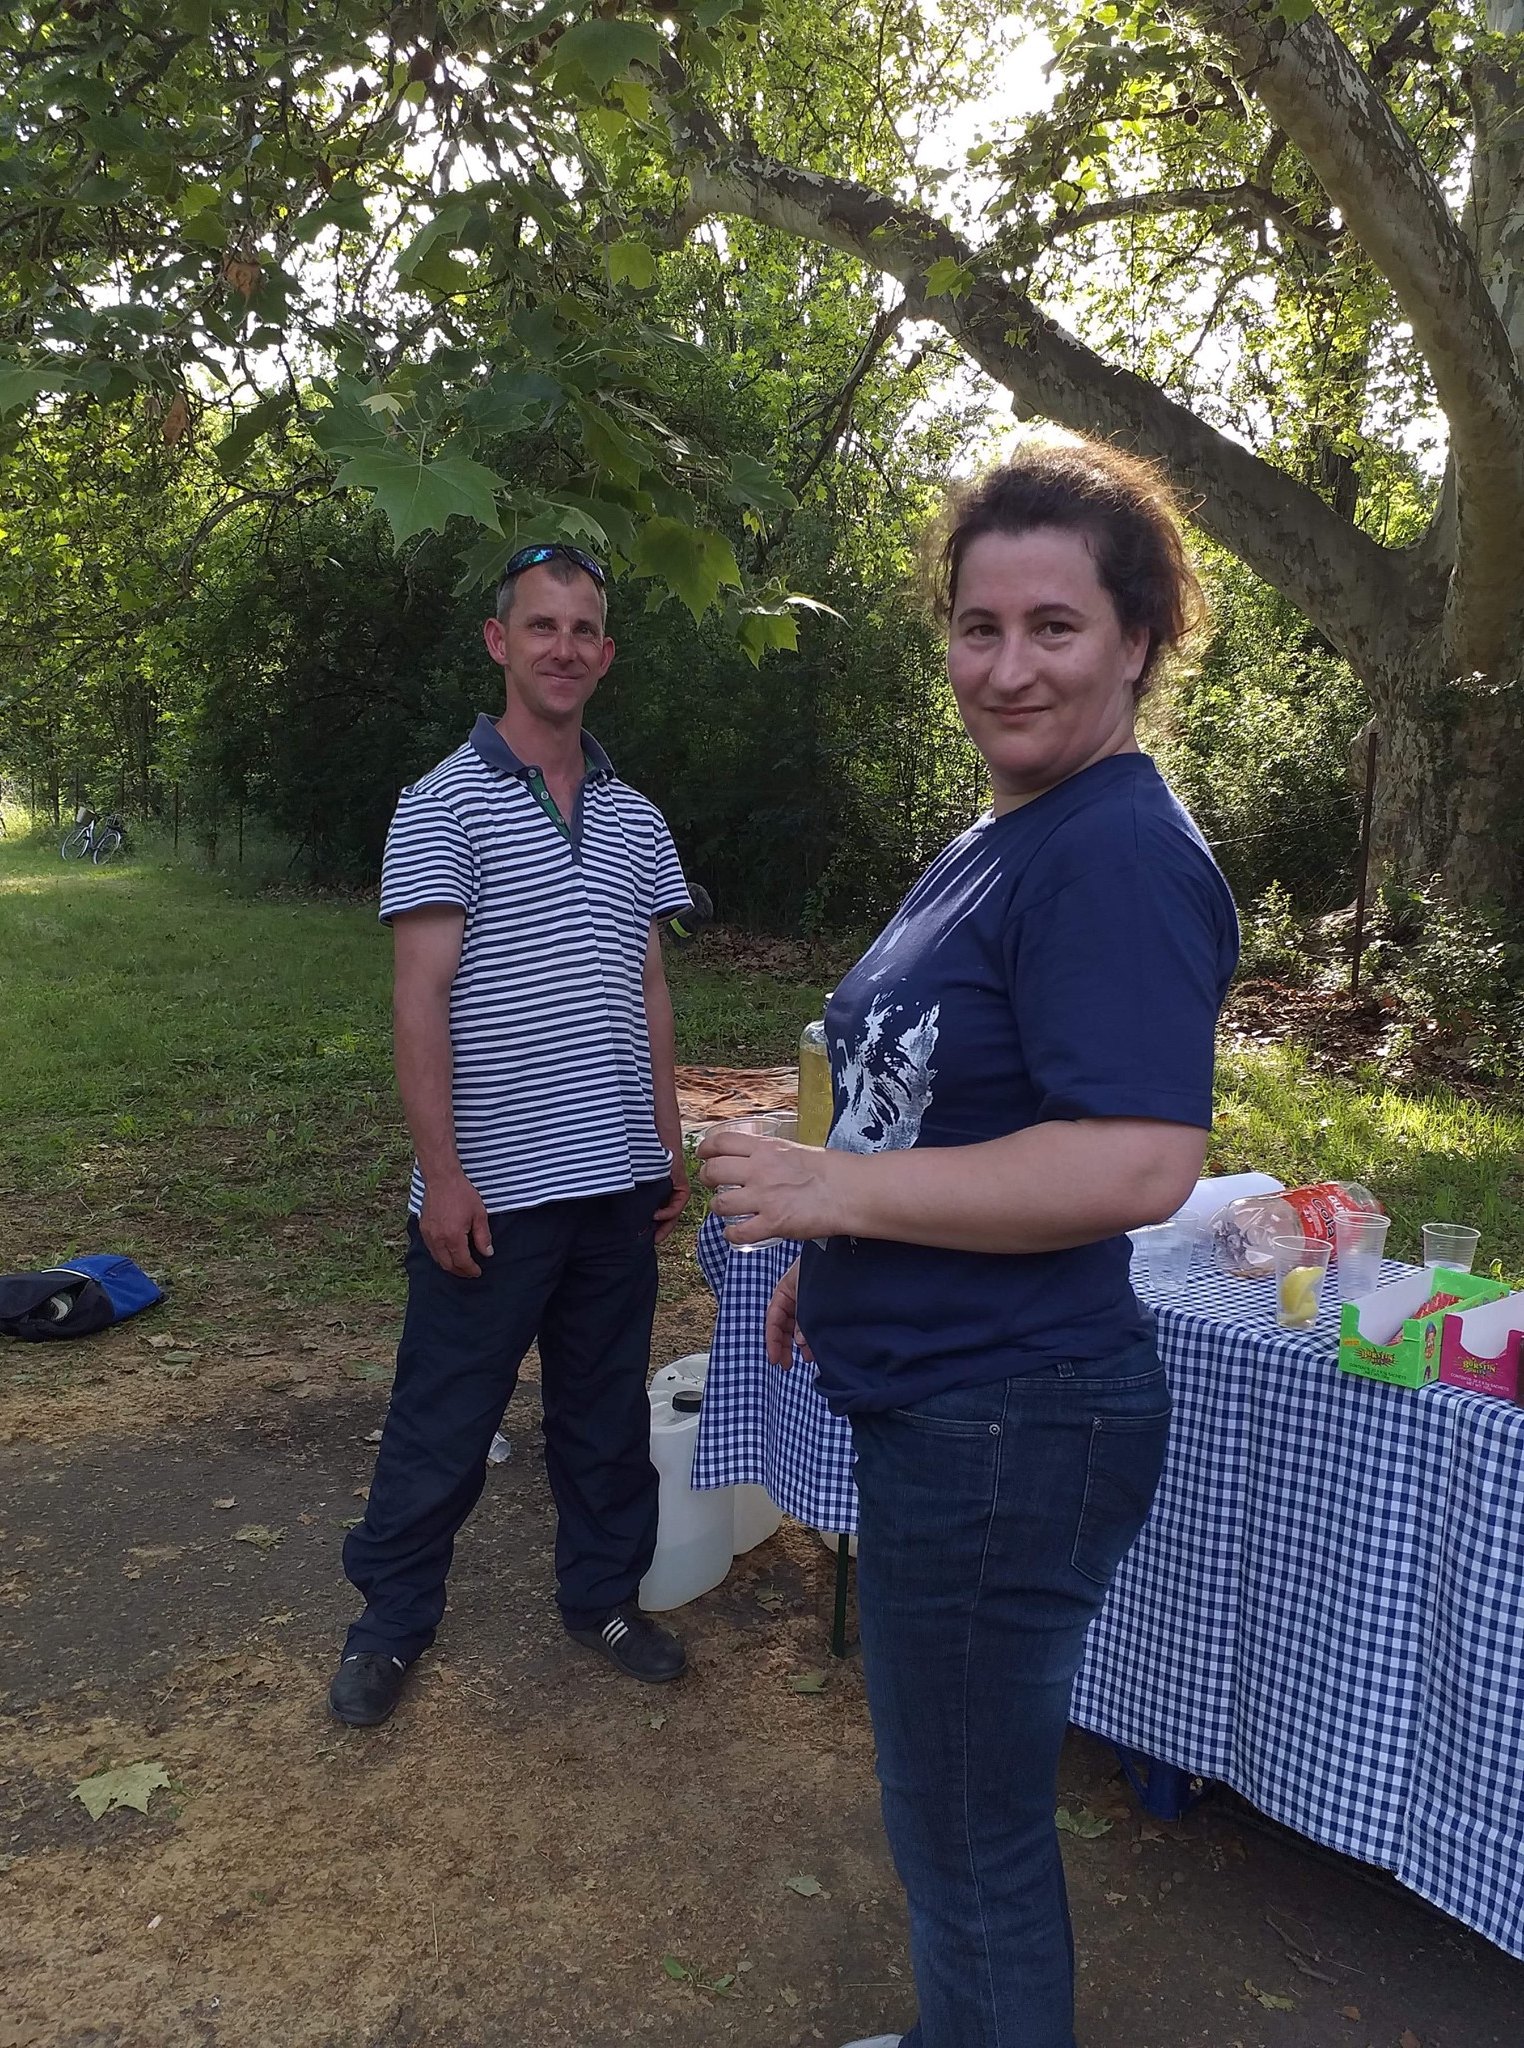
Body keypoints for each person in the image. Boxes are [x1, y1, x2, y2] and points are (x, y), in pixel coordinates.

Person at [699, 440, 1239, 2048]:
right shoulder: (1009, 828)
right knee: (950, 1810)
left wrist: (833, 1199)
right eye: (977, 626)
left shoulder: (1112, 849)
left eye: (1053, 627)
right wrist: (837, 1258)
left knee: (967, 1832)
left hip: (1009, 1416)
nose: (1006, 668)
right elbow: (932, 1098)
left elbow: (1138, 1158)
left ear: (1138, 639)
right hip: (959, 1392)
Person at [331, 542, 693, 1729]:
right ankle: (390, 1622)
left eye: (584, 630)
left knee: (605, 1413)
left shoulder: (637, 817)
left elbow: (648, 984)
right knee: (444, 1421)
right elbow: (418, 997)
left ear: (607, 653)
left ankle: (603, 1598)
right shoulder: (443, 801)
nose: (563, 648)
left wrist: (667, 1137)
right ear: (500, 641)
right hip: (494, 1189)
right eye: (542, 625)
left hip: (613, 1181)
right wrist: (442, 1175)